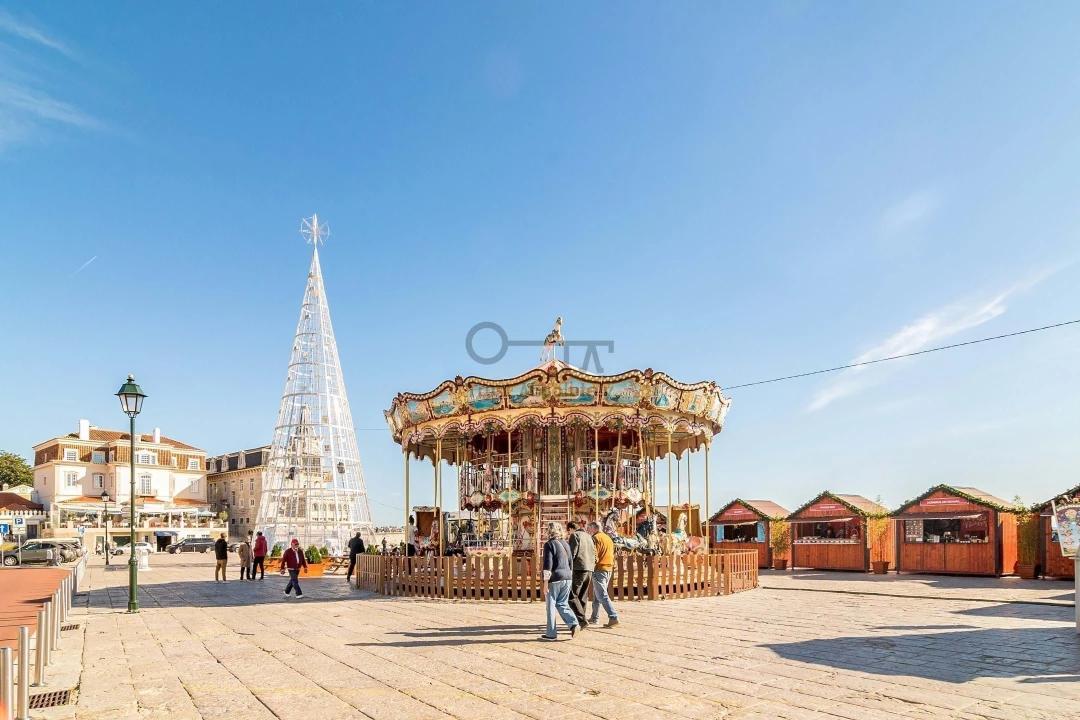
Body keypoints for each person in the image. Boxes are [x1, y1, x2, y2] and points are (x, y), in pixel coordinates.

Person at [540, 522, 578, 641]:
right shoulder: (565, 544)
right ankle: (574, 624)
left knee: (551, 605)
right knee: (562, 603)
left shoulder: (549, 544)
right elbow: (571, 562)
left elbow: (548, 564)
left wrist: (545, 582)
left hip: (555, 578)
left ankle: (551, 633)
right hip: (567, 577)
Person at [587, 521, 619, 628]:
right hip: (608, 567)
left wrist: (591, 565)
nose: (589, 530)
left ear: (593, 528)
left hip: (599, 568)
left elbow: (594, 554)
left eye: (589, 528)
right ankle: (594, 616)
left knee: (601, 594)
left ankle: (613, 616)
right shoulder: (607, 538)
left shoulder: (596, 538)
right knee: (597, 594)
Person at [566, 521, 595, 629]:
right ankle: (581, 619)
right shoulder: (589, 536)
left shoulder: (575, 536)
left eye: (568, 531)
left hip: (579, 567)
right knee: (583, 595)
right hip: (589, 568)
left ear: (571, 529)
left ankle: (581, 620)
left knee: (572, 595)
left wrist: (568, 566)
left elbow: (572, 553)